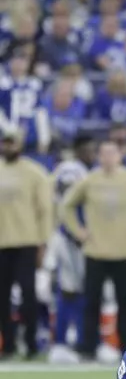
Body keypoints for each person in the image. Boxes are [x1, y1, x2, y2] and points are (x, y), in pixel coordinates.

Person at [61, 140, 126, 362]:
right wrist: (79, 232)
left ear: (119, 156)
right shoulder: (90, 180)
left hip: (123, 250)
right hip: (95, 251)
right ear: (99, 156)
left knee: (123, 302)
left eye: (112, 153)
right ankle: (88, 346)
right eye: (103, 153)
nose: (108, 157)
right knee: (91, 300)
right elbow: (66, 205)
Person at [0, 126, 52, 359]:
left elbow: (45, 210)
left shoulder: (34, 172)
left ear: (20, 145)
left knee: (28, 295)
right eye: (5, 143)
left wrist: (43, 242)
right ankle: (8, 344)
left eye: (12, 143)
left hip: (27, 241)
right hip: (2, 243)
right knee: (1, 296)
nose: (8, 147)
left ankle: (30, 344)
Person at [46, 135, 95, 364]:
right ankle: (62, 342)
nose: (92, 154)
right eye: (88, 149)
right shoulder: (71, 169)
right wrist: (75, 233)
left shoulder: (84, 170)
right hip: (70, 239)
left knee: (80, 291)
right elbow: (67, 202)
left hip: (78, 238)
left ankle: (79, 340)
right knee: (69, 291)